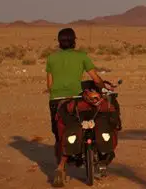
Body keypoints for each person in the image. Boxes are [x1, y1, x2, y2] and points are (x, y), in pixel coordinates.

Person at [45, 28, 115, 187]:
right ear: (74, 41)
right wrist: (103, 88)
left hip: (56, 100)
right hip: (75, 99)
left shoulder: (51, 58)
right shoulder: (82, 56)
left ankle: (61, 168)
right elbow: (95, 78)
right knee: (83, 123)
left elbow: (49, 84)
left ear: (59, 42)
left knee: (59, 134)